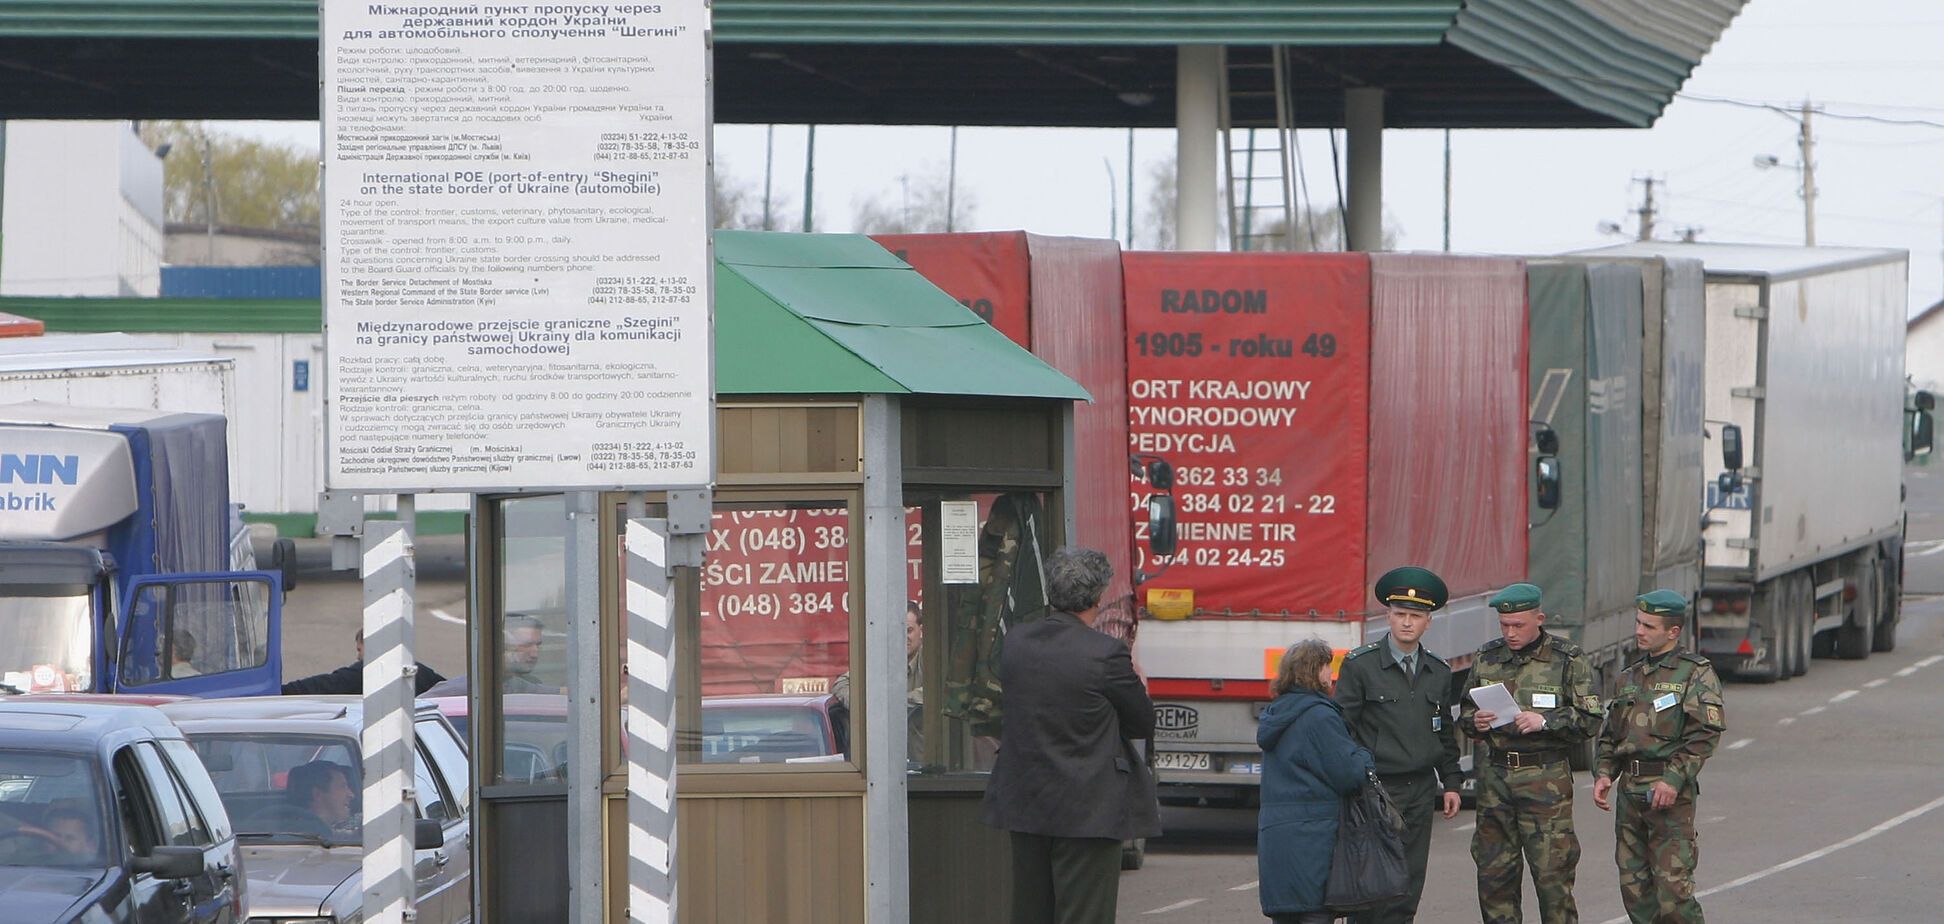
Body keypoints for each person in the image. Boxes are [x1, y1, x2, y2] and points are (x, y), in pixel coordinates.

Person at [981, 546, 1159, 924]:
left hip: (1027, 801)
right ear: (1098, 596)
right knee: (1084, 914)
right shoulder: (1105, 653)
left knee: (1031, 912)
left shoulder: (1017, 643)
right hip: (1089, 809)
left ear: (1053, 594)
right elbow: (1142, 721)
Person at [1459, 583, 1602, 924]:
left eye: (1518, 625)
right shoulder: (1487, 658)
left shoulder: (1568, 660)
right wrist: (1475, 720)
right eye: (1504, 625)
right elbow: (1465, 712)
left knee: (1553, 879)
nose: (1510, 633)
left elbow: (1591, 719)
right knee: (1495, 879)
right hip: (1496, 780)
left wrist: (1546, 721)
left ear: (1539, 619)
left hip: (1545, 782)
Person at [1335, 567, 1465, 924]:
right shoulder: (1360, 666)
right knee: (1372, 883)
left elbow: (1443, 730)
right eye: (1400, 614)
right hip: (1375, 789)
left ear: (1428, 622)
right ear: (1388, 617)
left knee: (1408, 883)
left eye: (1416, 616)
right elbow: (1342, 729)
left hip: (1420, 789)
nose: (1407, 623)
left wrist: (1451, 782)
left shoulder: (1437, 671)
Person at [1593, 590, 1725, 924]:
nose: (1639, 631)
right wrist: (1605, 772)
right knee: (1635, 891)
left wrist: (1674, 779)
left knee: (1673, 894)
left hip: (1668, 796)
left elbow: (1704, 734)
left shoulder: (1694, 673)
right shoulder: (1629, 676)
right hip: (1631, 796)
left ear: (1672, 632)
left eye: (1649, 626)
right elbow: (1612, 735)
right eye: (1639, 623)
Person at [1258, 637, 1376, 924]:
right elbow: (1347, 774)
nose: (1331, 675)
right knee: (1315, 913)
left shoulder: (1276, 713)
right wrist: (1364, 754)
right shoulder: (1319, 717)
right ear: (1315, 671)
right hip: (1313, 841)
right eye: (1327, 667)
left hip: (1277, 837)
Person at [831, 601, 924, 762]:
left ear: (920, 631)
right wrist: (864, 705)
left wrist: (890, 703)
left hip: (925, 767)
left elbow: (935, 692)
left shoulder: (932, 657)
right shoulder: (883, 659)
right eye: (897, 631)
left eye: (909, 630)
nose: (903, 637)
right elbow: (842, 683)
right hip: (886, 765)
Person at [281, 628, 449, 696]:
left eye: (359, 650)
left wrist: (281, 691)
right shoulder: (421, 672)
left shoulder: (368, 671)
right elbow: (446, 690)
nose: (358, 657)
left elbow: (327, 684)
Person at [286, 760, 358, 836]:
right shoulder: (304, 836)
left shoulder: (322, 833)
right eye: (342, 786)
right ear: (317, 794)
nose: (351, 795)